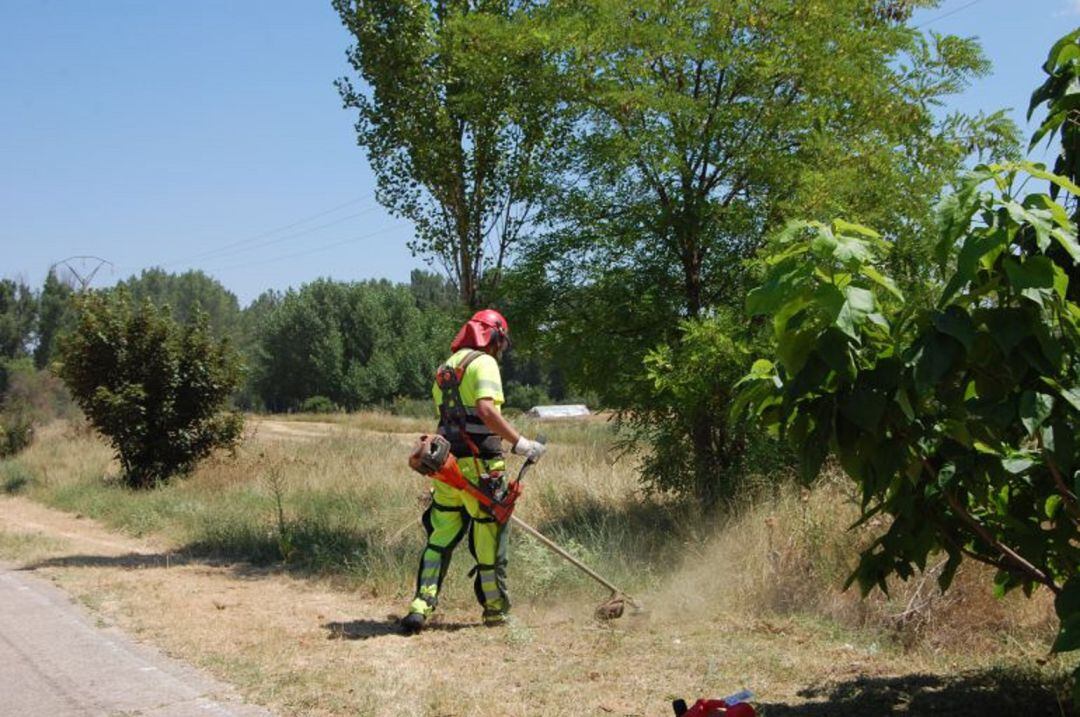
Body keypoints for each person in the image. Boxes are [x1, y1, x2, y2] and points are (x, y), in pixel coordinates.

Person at [401, 309, 546, 634]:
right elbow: (485, 410)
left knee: (439, 540)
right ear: (492, 337)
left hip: (447, 469)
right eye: (501, 343)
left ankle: (420, 606)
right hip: (482, 469)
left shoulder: (445, 369)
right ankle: (495, 612)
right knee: (488, 544)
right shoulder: (484, 364)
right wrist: (521, 443)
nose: (501, 351)